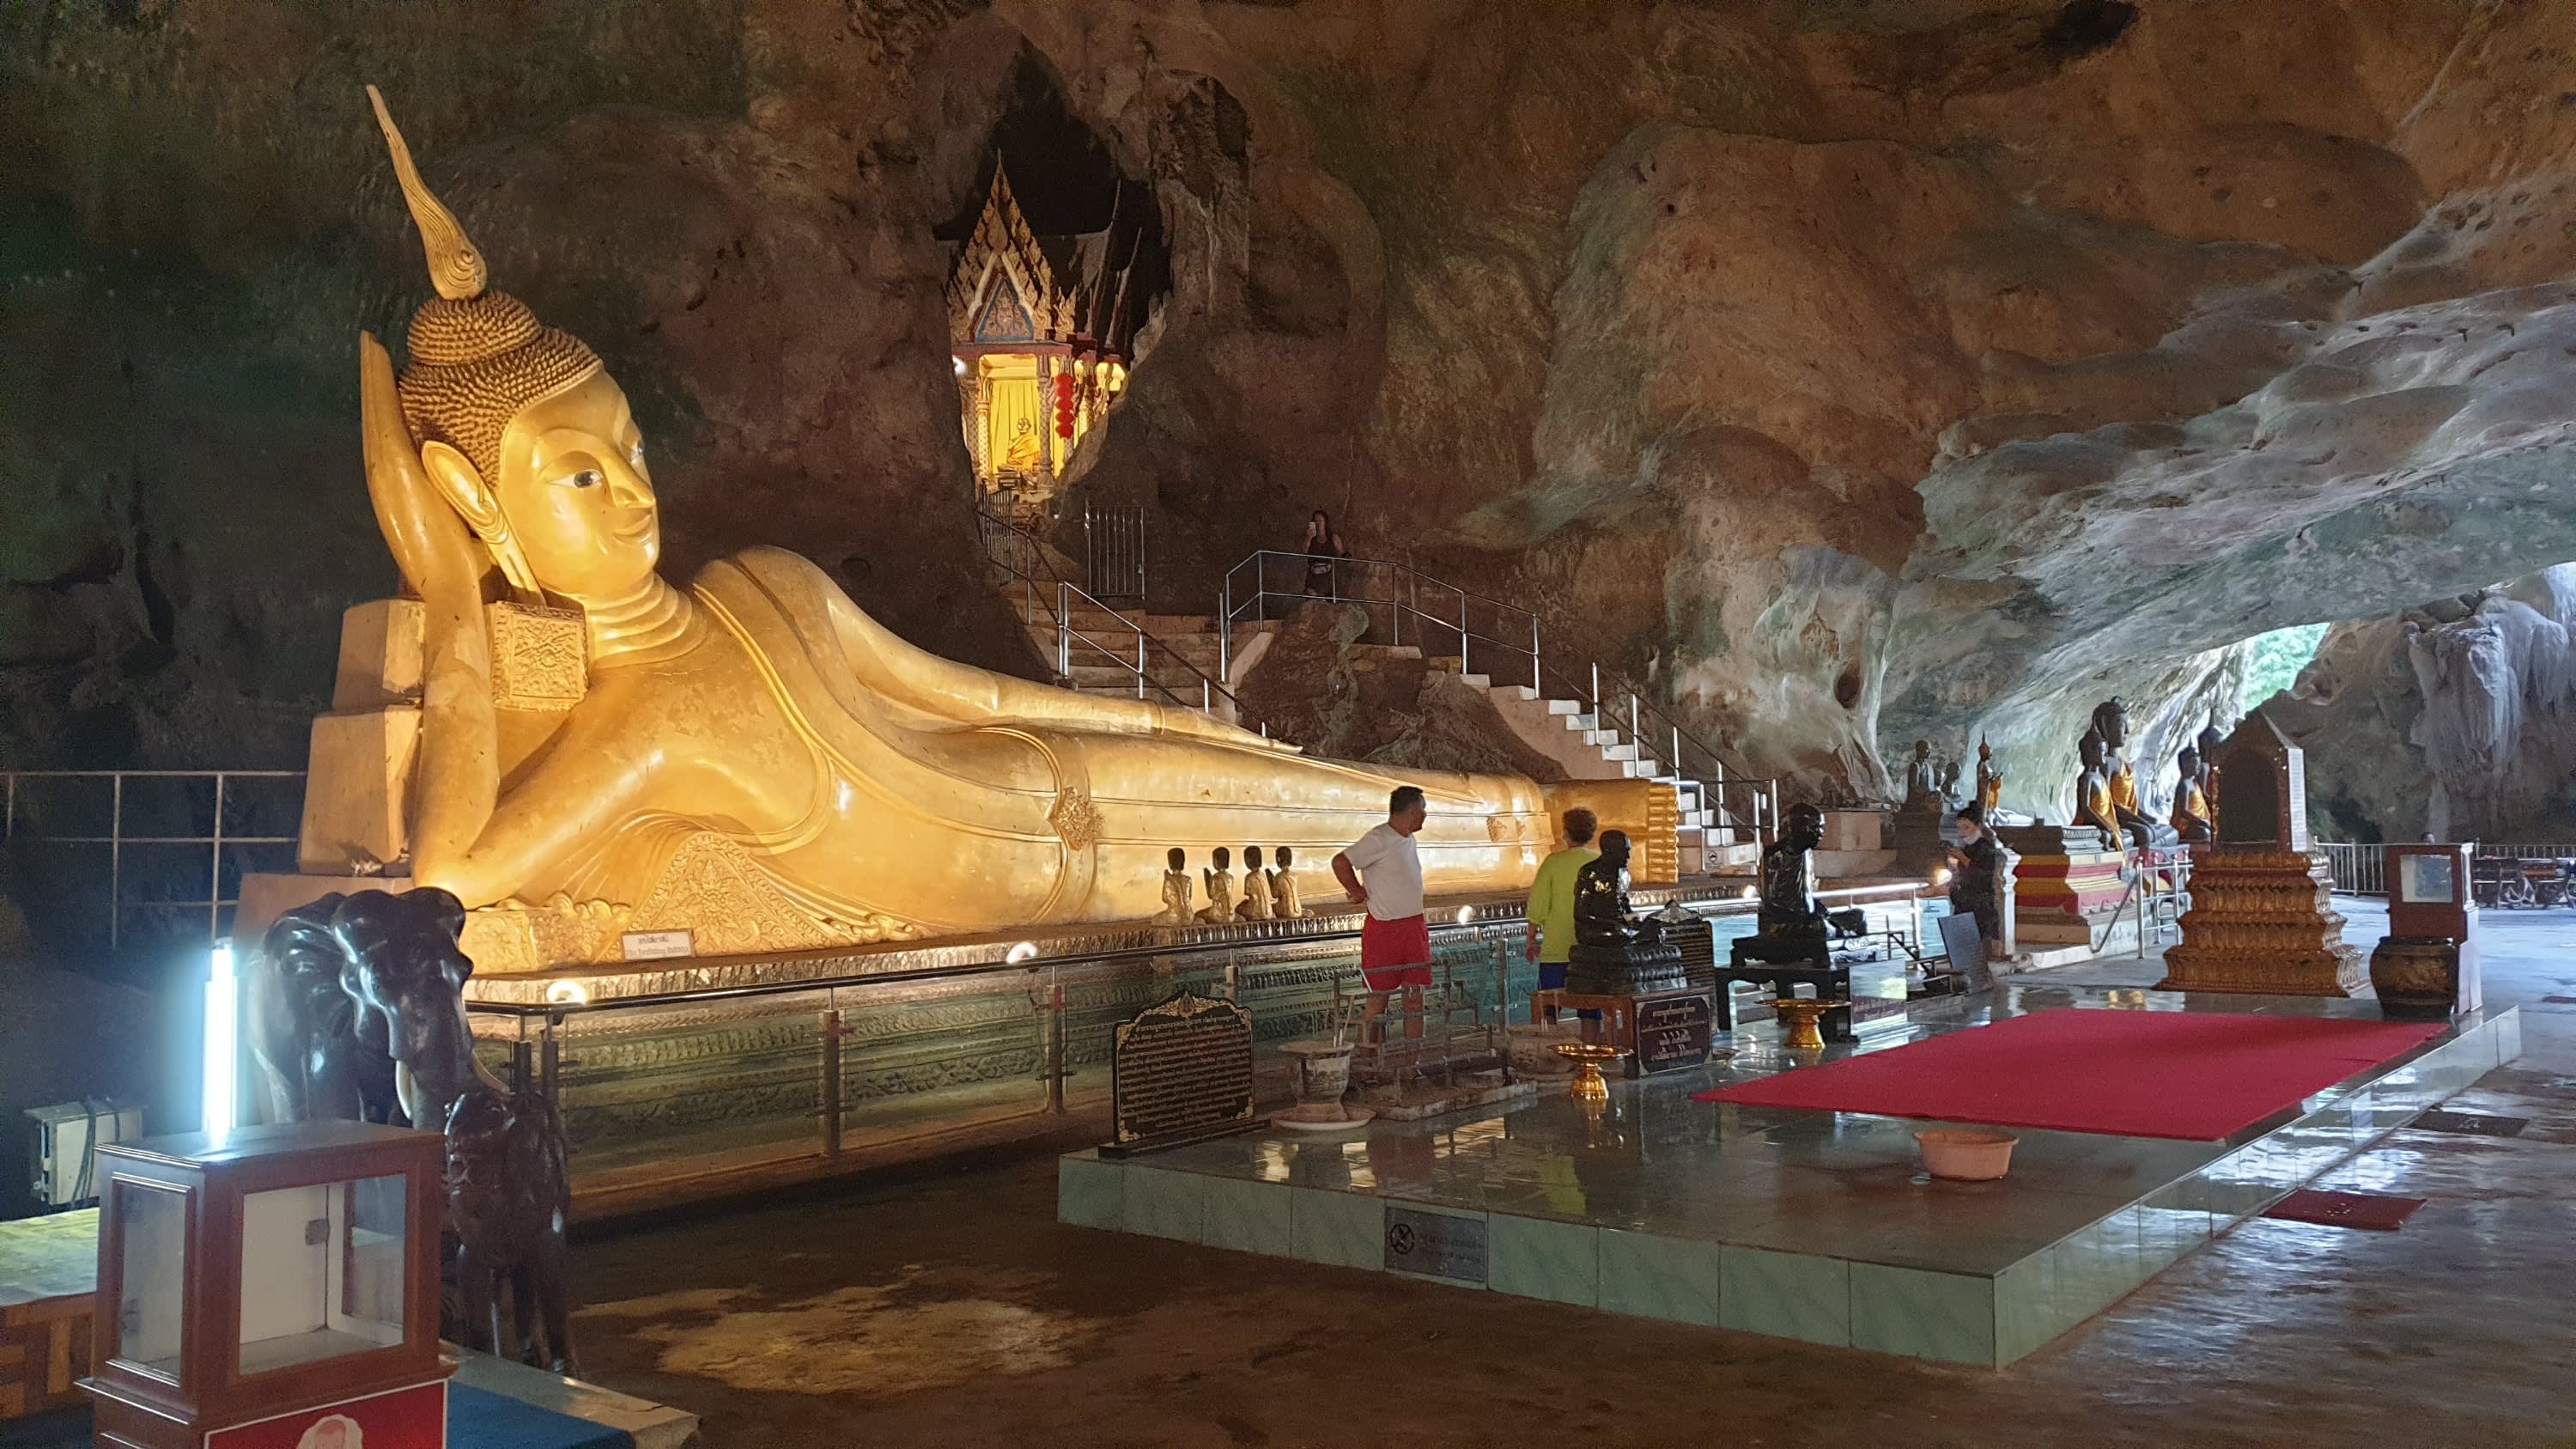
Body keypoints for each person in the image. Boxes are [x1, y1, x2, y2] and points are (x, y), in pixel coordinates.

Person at [1334, 786, 1430, 1041]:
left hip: (1414, 926)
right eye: (1423, 809)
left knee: (1415, 998)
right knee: (1378, 999)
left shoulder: (1409, 839)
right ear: (1411, 811)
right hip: (1385, 929)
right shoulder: (1378, 838)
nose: (1425, 815)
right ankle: (1368, 1057)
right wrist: (1356, 891)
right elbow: (1340, 862)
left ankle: (1413, 1060)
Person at [1524, 807, 1601, 1040]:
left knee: (1549, 1009)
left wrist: (1531, 939)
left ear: (1565, 833)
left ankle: (1550, 1054)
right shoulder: (1599, 862)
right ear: (1592, 833)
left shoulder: (1553, 863)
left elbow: (1538, 905)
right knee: (1590, 1010)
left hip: (1556, 949)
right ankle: (1590, 1054)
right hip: (1589, 950)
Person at [1946, 806, 2002, 945]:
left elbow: (1983, 876)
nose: (1962, 833)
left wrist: (1962, 858)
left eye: (1966, 828)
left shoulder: (1985, 848)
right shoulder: (1967, 848)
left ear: (1978, 826)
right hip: (1965, 902)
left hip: (1980, 906)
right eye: (1959, 828)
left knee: (1977, 944)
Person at [1303, 509, 1350, 598]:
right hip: (1314, 577)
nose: (1318, 524)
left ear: (1325, 523)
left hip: (1328, 576)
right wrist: (1309, 538)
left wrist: (1345, 556)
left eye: (1320, 521)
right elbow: (1304, 552)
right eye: (1316, 521)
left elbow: (1341, 553)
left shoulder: (1333, 538)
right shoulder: (1311, 539)